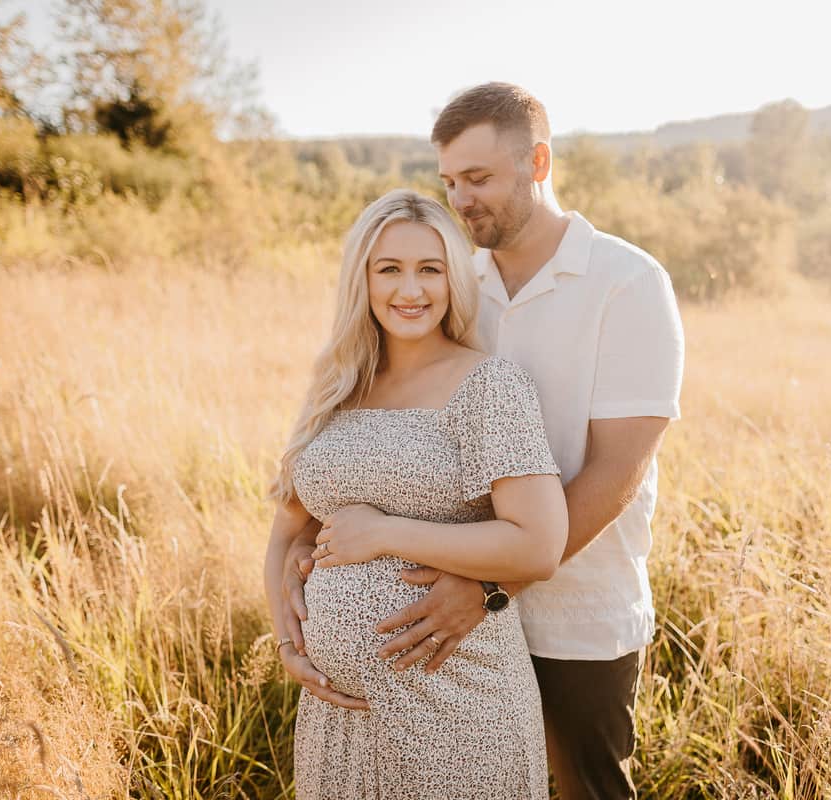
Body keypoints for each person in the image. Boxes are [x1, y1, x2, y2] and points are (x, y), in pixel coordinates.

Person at [283, 83, 685, 800]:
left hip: (574, 613)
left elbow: (618, 468)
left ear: (537, 161)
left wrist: (491, 585)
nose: (460, 199)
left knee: (585, 789)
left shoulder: (626, 284)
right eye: (448, 182)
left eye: (478, 178)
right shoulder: (452, 279)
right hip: (440, 619)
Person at [263, 188, 569, 799]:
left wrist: (386, 532)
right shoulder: (337, 387)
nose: (411, 290)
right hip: (340, 716)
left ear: (454, 279)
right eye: (389, 270)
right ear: (363, 280)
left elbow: (538, 545)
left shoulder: (488, 385)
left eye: (430, 269)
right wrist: (287, 640)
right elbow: (286, 534)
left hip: (456, 703)